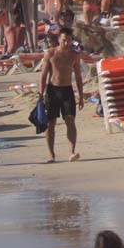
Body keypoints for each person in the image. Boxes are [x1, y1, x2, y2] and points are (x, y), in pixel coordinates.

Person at [38, 27, 84, 163]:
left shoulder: (74, 55)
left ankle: (72, 152)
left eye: (69, 40)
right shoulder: (50, 54)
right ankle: (51, 154)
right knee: (50, 123)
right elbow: (43, 76)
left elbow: (78, 77)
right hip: (52, 90)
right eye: (64, 40)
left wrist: (81, 96)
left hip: (67, 90)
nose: (66, 43)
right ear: (59, 40)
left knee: (70, 120)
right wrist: (40, 94)